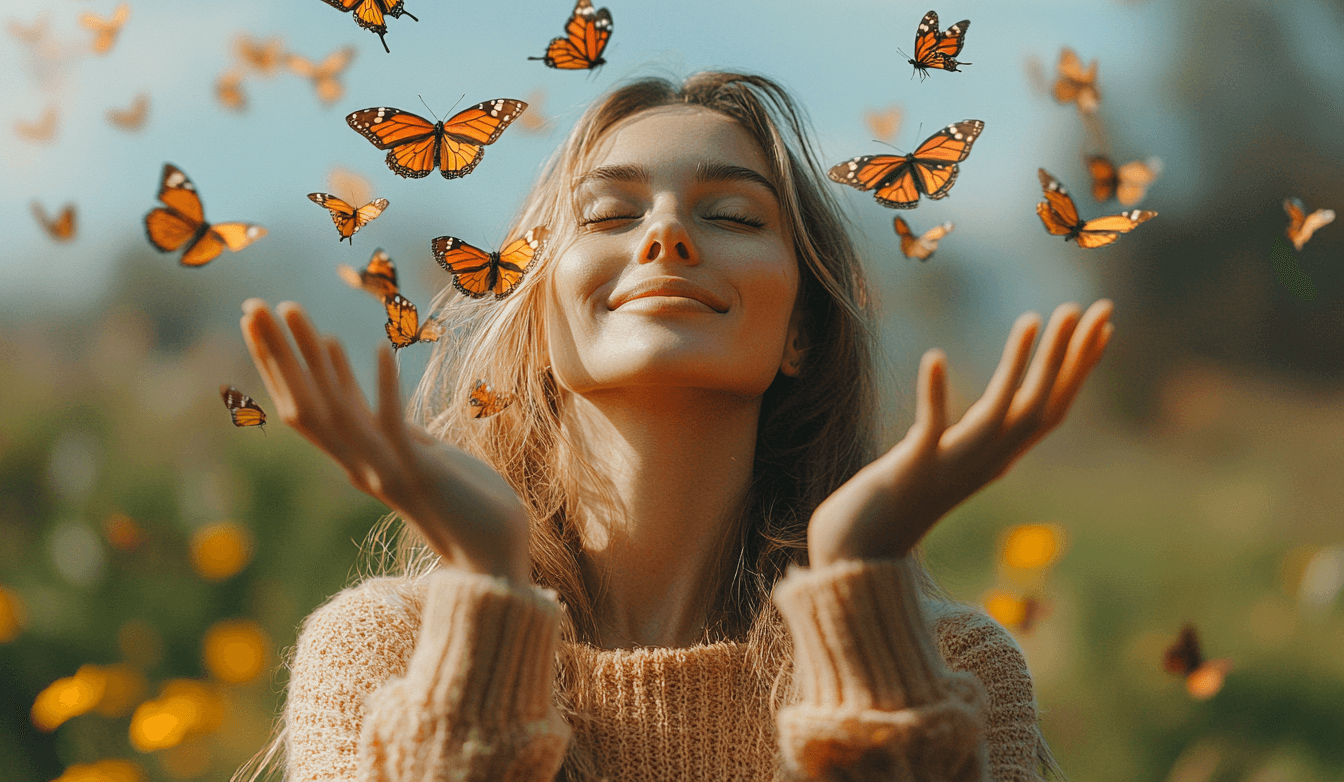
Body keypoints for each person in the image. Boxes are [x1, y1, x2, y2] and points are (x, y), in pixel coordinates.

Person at [236, 71, 1112, 782]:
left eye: (730, 216)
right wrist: (486, 595)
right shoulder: (387, 651)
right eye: (610, 214)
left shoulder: (949, 670)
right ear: (538, 320)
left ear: (802, 332)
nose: (665, 235)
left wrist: (861, 594)